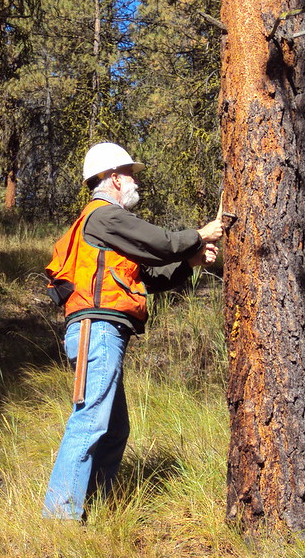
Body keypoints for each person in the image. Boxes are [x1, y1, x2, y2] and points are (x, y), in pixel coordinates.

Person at [42, 142, 223, 519]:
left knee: (114, 428)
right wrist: (202, 233)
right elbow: (159, 242)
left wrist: (190, 262)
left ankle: (93, 508)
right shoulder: (103, 216)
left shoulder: (107, 228)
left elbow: (149, 277)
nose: (135, 180)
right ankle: (60, 517)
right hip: (98, 327)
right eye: (130, 174)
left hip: (104, 330)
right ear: (112, 178)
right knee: (91, 420)